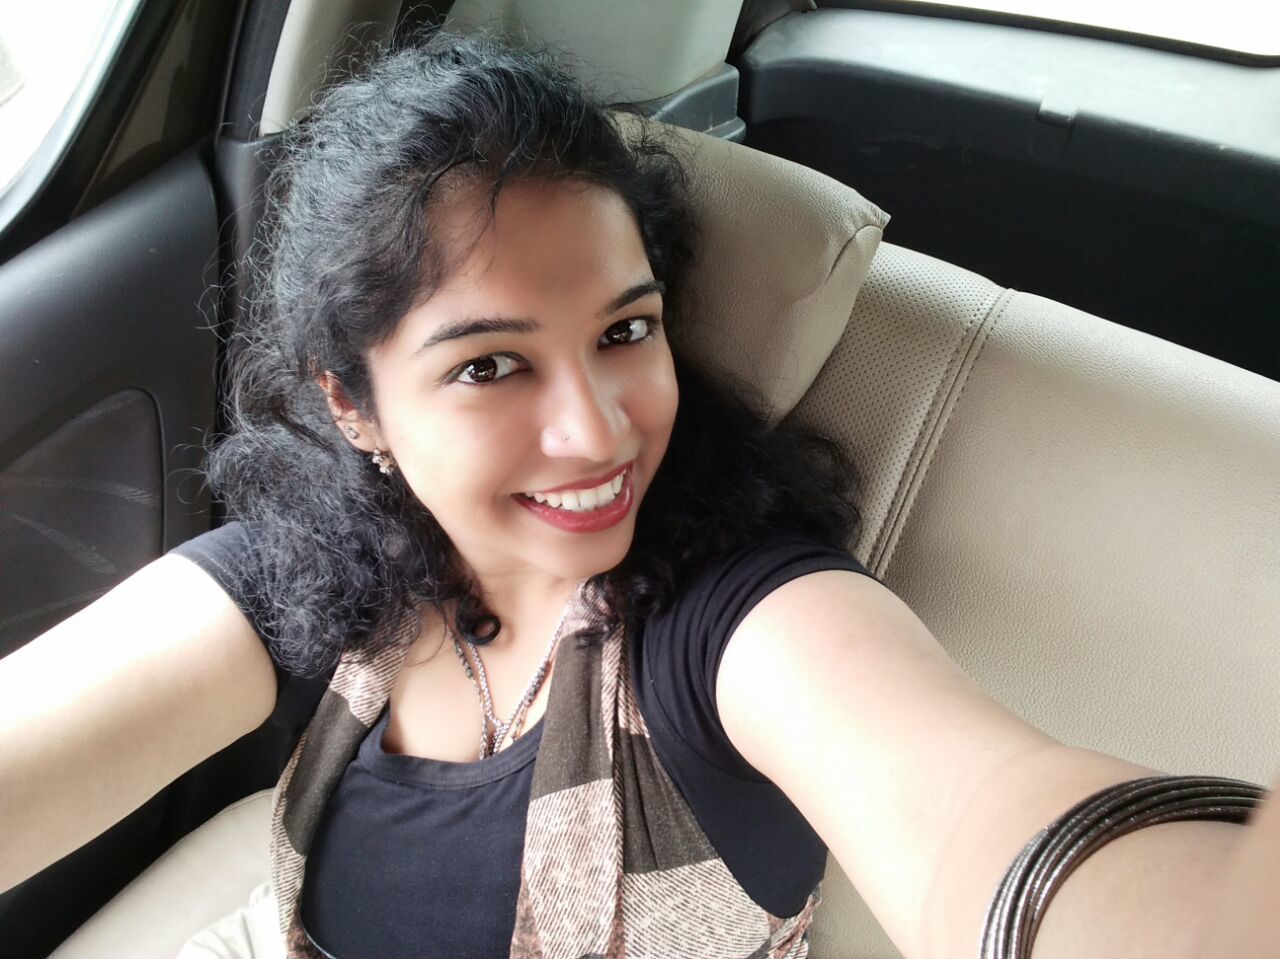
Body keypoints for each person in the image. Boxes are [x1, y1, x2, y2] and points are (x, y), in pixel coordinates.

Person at [0, 31, 1270, 959]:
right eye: (489, 364)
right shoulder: (320, 566)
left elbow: (989, 821)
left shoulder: (735, 619)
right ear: (355, 406)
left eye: (624, 330)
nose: (598, 428)